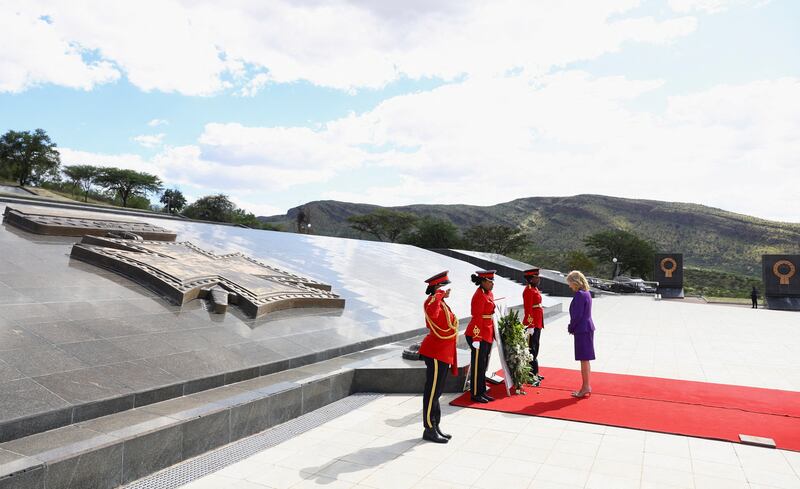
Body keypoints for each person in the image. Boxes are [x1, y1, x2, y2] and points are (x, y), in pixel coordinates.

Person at [418, 270, 459, 443]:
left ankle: (436, 425)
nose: (447, 290)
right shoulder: (431, 302)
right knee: (432, 392)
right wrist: (439, 295)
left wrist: (440, 297)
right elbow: (433, 316)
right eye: (444, 286)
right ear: (437, 288)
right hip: (435, 352)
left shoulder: (442, 303)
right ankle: (428, 428)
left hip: (443, 352)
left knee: (437, 392)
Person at [466, 270, 496, 403]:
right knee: (478, 365)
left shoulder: (488, 293)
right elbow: (477, 317)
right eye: (490, 281)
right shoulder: (478, 295)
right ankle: (476, 393)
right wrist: (477, 338)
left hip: (487, 332)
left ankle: (482, 390)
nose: (492, 284)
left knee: (483, 365)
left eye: (492, 281)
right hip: (477, 334)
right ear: (482, 282)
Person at [566, 270, 595, 398]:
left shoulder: (579, 295)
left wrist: (571, 328)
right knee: (586, 359)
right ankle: (587, 385)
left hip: (582, 329)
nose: (569, 286)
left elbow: (576, 316)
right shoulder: (587, 293)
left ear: (575, 282)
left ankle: (585, 387)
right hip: (587, 328)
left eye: (570, 283)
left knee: (583, 360)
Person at [522, 268, 544, 386]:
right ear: (531, 279)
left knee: (535, 347)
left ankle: (535, 372)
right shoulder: (528, 291)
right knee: (531, 349)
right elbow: (528, 309)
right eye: (536, 277)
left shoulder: (534, 289)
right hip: (532, 324)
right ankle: (530, 375)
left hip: (537, 323)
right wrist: (530, 325)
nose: (538, 278)